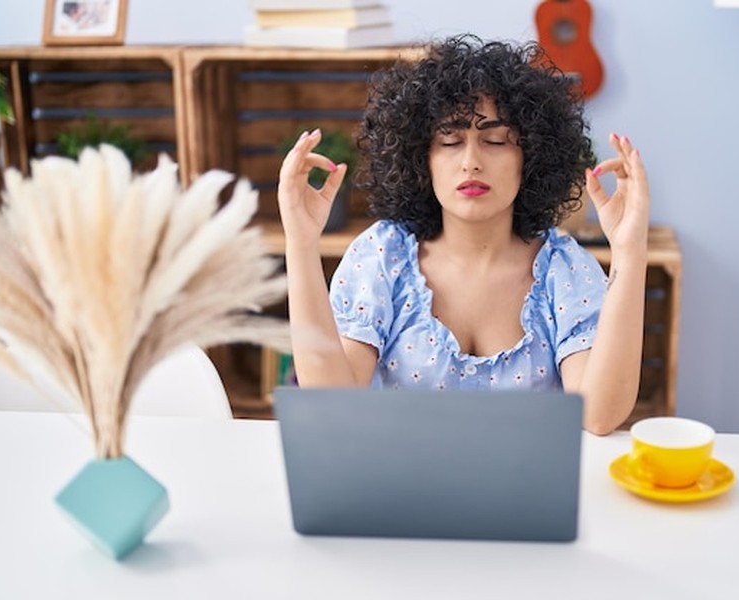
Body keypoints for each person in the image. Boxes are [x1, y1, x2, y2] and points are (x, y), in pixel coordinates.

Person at [277, 34, 649, 435]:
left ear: (532, 157)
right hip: (405, 490)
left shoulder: (565, 269)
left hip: (523, 492)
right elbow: (334, 403)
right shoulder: (382, 256)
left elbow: (598, 416)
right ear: (422, 159)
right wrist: (300, 242)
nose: (471, 162)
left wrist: (629, 252)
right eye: (450, 141)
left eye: (494, 140)